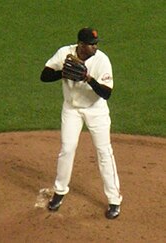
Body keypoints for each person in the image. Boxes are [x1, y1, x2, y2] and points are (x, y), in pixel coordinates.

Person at [40, 27, 122, 219]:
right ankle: (59, 192)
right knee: (67, 149)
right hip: (71, 110)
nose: (95, 47)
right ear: (81, 45)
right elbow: (44, 76)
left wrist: (88, 79)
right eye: (91, 44)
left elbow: (106, 93)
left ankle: (114, 200)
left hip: (96, 111)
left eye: (96, 44)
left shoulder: (102, 60)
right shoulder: (65, 53)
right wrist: (62, 74)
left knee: (104, 152)